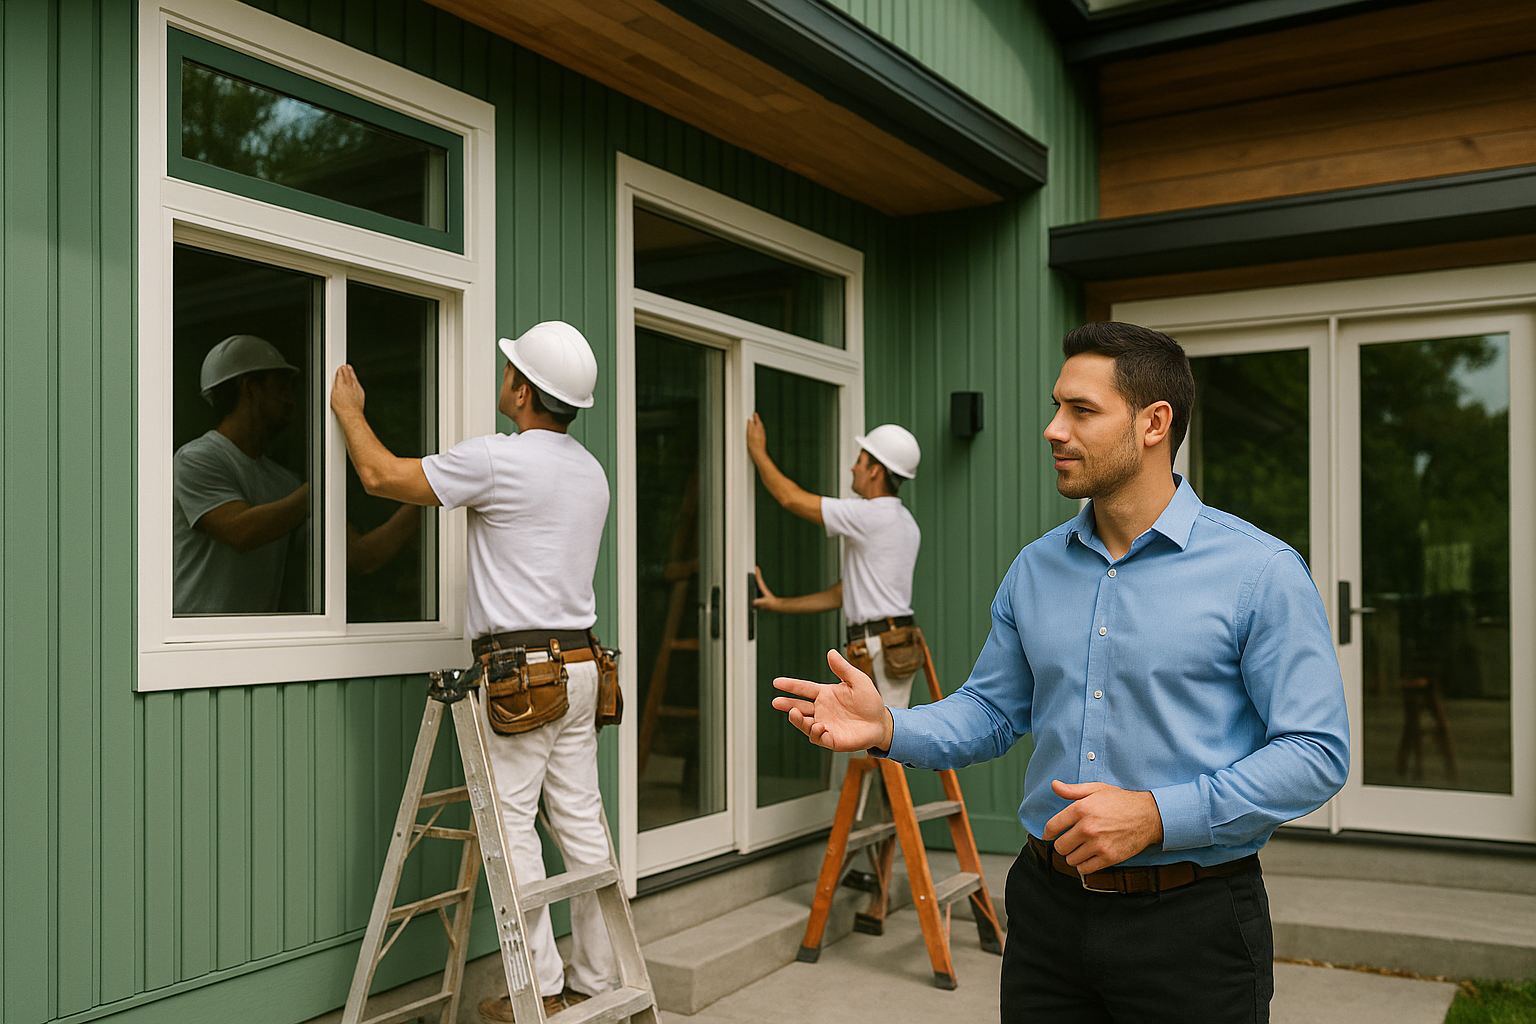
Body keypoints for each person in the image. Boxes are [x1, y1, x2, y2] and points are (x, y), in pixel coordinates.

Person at [769, 321, 1350, 1024]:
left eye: (1081, 410)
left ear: (1153, 424)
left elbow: (1316, 753)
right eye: (1056, 406)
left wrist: (1157, 816)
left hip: (1193, 926)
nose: (1052, 429)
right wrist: (888, 725)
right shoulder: (1035, 568)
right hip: (1046, 914)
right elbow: (990, 711)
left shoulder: (1259, 572)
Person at [330, 320, 615, 1021]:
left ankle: (540, 994)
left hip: (524, 675)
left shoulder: (500, 460)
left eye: (511, 370)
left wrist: (348, 412)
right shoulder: (590, 470)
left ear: (522, 390)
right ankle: (598, 979)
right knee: (581, 824)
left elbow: (379, 476)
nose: (505, 377)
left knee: (513, 826)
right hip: (582, 666)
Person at [173, 334, 417, 615]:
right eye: (282, 388)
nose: (291, 400)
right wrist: (326, 481)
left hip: (252, 644)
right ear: (250, 388)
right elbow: (239, 531)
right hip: (191, 646)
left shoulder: (285, 484)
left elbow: (362, 556)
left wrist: (428, 494)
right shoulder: (197, 459)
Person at [747, 415, 923, 709]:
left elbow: (791, 499)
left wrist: (758, 452)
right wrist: (780, 603)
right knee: (877, 743)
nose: (853, 467)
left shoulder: (871, 515)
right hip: (889, 644)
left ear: (875, 471)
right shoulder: (905, 522)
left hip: (878, 647)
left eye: (860, 460)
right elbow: (844, 593)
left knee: (884, 746)